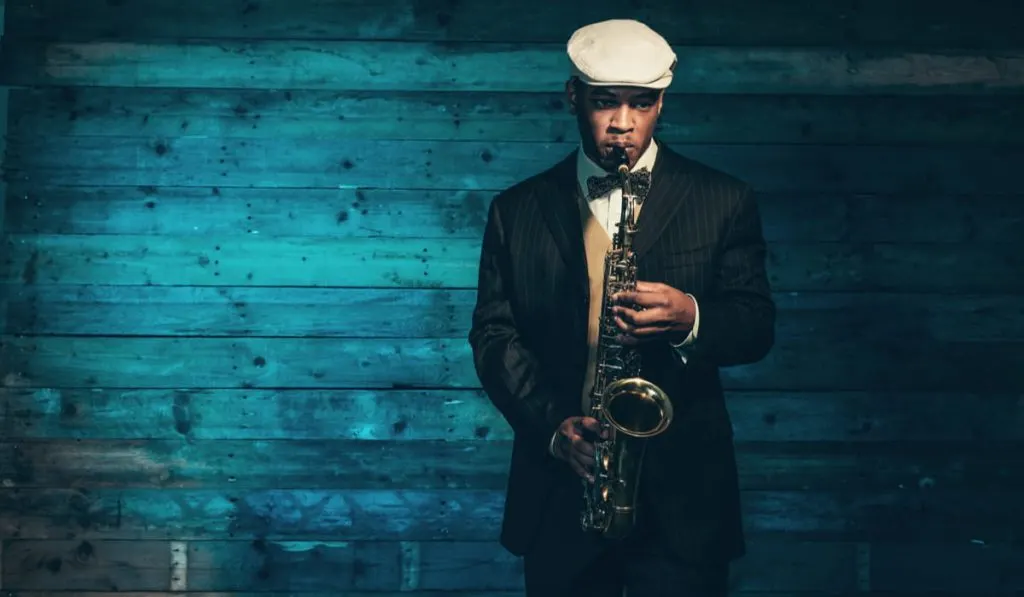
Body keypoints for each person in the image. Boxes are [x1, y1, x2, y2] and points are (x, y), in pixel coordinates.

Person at [467, 18, 776, 597]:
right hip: (563, 486)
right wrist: (554, 430)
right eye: (606, 103)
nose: (623, 126)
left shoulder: (723, 199)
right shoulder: (517, 210)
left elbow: (756, 327)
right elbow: (494, 335)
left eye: (643, 104)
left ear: (662, 102)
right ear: (572, 96)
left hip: (685, 499)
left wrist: (692, 318)